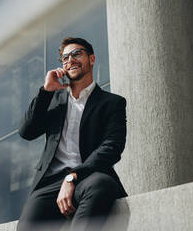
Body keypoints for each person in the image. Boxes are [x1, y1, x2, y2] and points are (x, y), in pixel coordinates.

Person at [17, 37, 127, 231]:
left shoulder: (112, 103)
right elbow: (27, 132)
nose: (70, 60)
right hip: (49, 185)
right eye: (65, 58)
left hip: (88, 176)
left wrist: (73, 176)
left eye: (77, 54)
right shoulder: (53, 100)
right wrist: (46, 91)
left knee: (101, 184)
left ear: (91, 59)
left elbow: (112, 147)